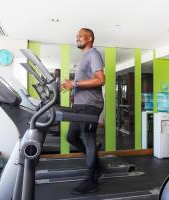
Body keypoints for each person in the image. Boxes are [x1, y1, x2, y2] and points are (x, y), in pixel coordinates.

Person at [60, 28, 105, 194]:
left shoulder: (93, 54)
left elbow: (101, 80)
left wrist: (75, 84)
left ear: (90, 37)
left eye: (80, 35)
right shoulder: (84, 57)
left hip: (90, 105)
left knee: (88, 138)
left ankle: (91, 179)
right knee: (71, 136)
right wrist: (74, 93)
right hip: (80, 105)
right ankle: (96, 162)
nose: (77, 37)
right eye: (76, 35)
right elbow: (84, 82)